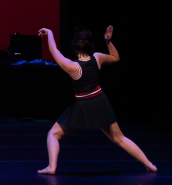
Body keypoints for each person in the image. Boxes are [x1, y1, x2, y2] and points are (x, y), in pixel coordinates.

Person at [37, 26, 156, 174]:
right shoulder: (97, 57)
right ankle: (149, 164)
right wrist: (108, 41)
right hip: (100, 102)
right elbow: (115, 57)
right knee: (119, 138)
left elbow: (54, 50)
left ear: (75, 48)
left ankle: (52, 167)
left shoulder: (71, 66)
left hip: (83, 106)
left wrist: (50, 32)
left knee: (53, 134)